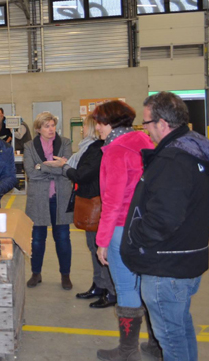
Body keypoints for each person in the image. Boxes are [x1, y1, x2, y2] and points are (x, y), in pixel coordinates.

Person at [121, 92, 209, 361]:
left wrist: (134, 238)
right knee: (180, 329)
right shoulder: (193, 149)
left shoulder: (173, 160)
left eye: (146, 123)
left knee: (171, 338)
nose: (146, 130)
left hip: (166, 267)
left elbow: (163, 218)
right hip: (183, 259)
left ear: (162, 123)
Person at [91, 100, 154, 361]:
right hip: (146, 227)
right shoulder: (145, 141)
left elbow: (113, 201)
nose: (97, 128)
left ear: (109, 123)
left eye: (99, 122)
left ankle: (128, 351)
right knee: (148, 287)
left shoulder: (115, 151)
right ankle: (155, 345)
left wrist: (102, 240)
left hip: (121, 228)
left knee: (127, 288)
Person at [45, 114, 116, 307]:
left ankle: (110, 291)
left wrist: (65, 167)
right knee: (93, 248)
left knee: (100, 249)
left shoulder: (97, 149)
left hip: (96, 203)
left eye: (84, 126)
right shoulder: (88, 148)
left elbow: (82, 175)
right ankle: (99, 285)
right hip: (87, 203)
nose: (81, 130)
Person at [23, 112, 74, 290]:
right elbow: (30, 172)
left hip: (61, 198)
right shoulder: (29, 146)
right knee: (37, 239)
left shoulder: (66, 143)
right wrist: (55, 166)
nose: (51, 129)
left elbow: (67, 169)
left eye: (53, 125)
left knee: (62, 238)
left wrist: (41, 166)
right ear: (38, 129)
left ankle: (65, 275)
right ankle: (36, 273)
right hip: (38, 199)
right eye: (47, 126)